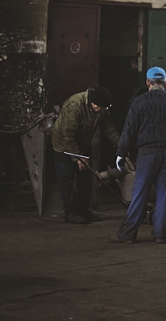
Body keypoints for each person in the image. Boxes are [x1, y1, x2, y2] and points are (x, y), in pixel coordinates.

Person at [110, 66, 166, 244]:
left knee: (140, 193)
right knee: (164, 194)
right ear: (165, 83)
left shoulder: (139, 102)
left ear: (147, 82)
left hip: (147, 153)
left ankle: (128, 234)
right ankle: (160, 234)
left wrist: (121, 152)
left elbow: (129, 130)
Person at [51, 87, 120, 224]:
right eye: (98, 106)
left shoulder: (102, 109)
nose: (100, 109)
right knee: (67, 178)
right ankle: (71, 212)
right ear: (92, 102)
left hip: (83, 143)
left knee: (85, 178)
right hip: (64, 145)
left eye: (103, 108)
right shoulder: (74, 106)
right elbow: (67, 136)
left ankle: (83, 210)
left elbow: (108, 128)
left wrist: (120, 144)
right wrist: (78, 158)